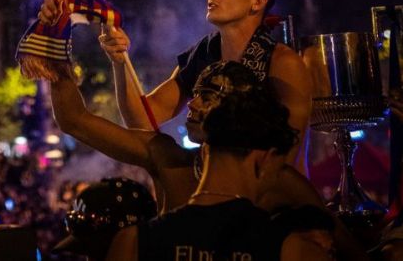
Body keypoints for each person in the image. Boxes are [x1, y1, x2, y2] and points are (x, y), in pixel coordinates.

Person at [33, 58, 367, 259]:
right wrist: (56, 57)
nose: (192, 105)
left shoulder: (279, 180)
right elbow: (74, 120)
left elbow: (348, 249)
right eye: (194, 95)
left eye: (207, 95)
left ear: (242, 106)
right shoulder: (166, 156)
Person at [41, 0, 313, 168]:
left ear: (258, 1)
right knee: (159, 149)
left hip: (269, 204)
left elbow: (288, 155)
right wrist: (120, 61)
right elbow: (143, 120)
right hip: (214, 186)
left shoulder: (281, 62)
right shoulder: (205, 54)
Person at [104, 73, 330, 260]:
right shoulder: (293, 251)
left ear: (206, 150)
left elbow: (76, 120)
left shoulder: (131, 243)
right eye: (279, 168)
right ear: (264, 159)